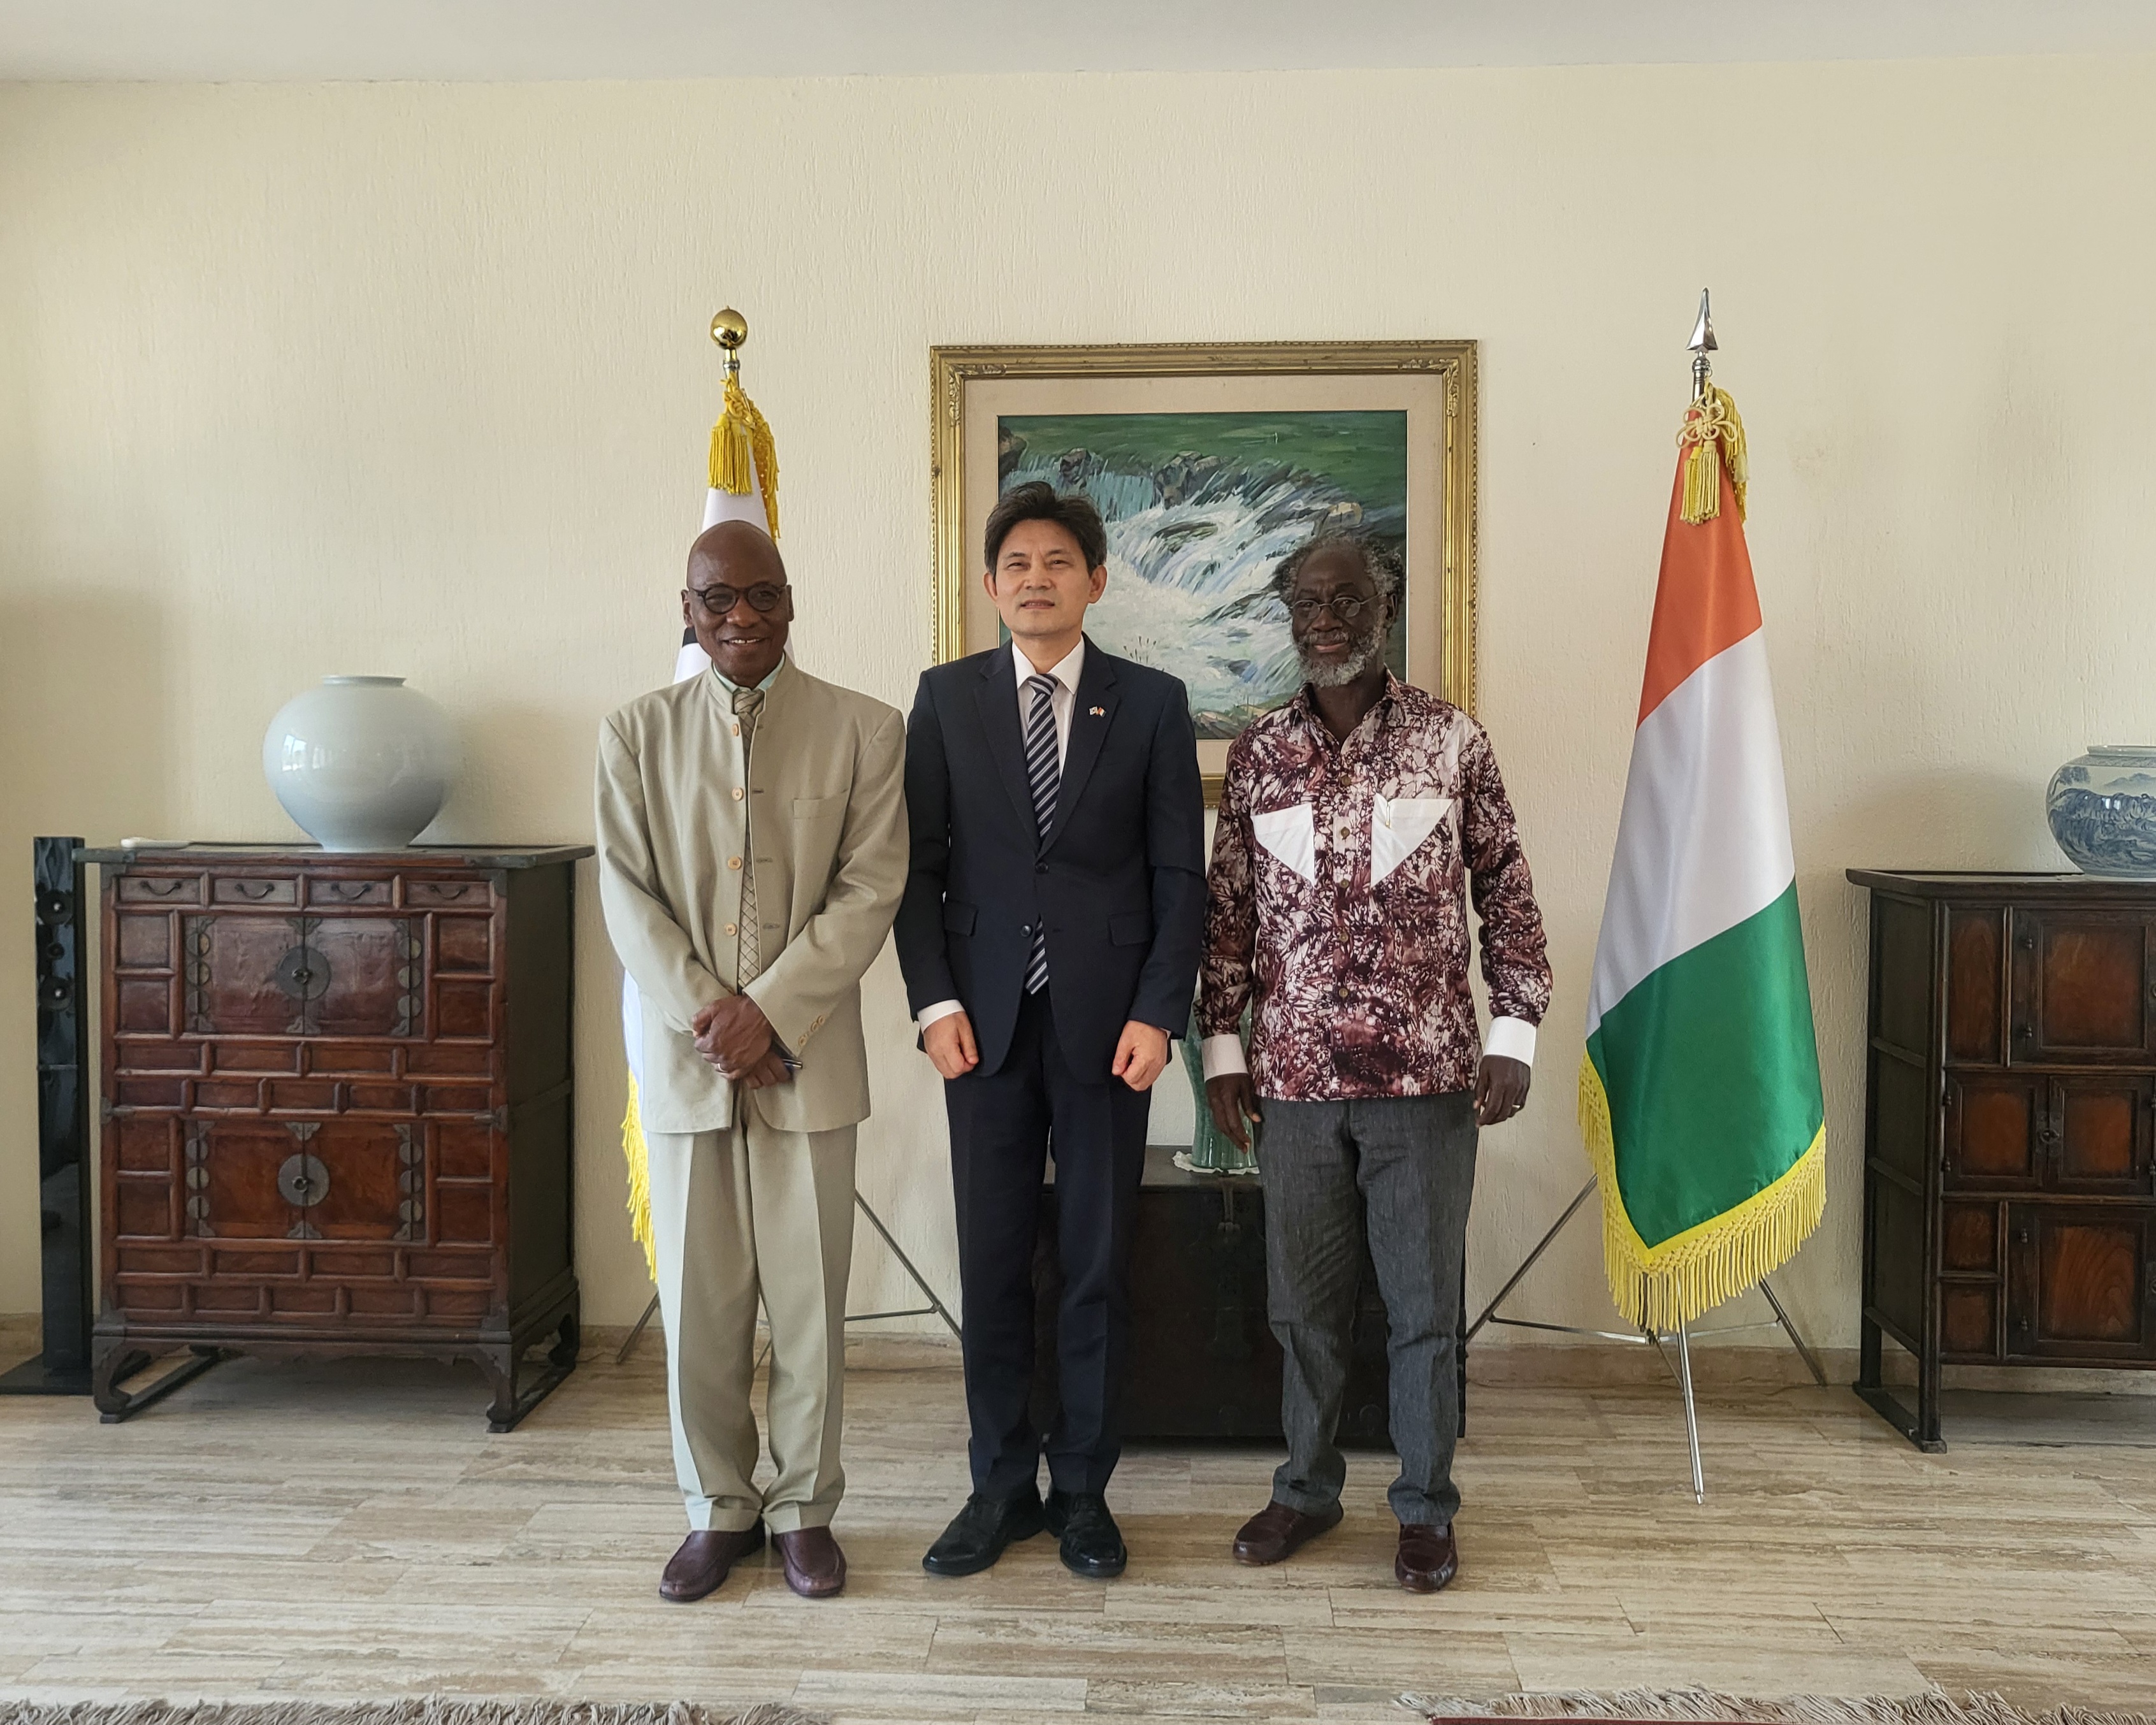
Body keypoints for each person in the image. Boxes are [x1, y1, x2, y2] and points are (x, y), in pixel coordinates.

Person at [1199, 530, 1551, 1594]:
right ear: (1290, 614)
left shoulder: (1450, 741)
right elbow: (1226, 919)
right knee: (1301, 1310)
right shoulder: (1258, 754)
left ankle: (1426, 1509)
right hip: (1294, 1086)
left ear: (1385, 608)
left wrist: (1514, 1034)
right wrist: (1222, 1046)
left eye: (1349, 596)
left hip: (1429, 1085)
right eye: (1309, 599)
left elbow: (1510, 893)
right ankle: (1304, 1491)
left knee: (1422, 1310)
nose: (1328, 615)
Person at [895, 480, 1205, 1580]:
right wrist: (933, 1005)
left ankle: (1082, 1492)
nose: (1037, 579)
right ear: (990, 586)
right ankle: (997, 1489)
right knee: (989, 1262)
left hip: (1111, 1033)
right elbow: (918, 870)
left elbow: (1180, 877)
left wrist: (1158, 1015)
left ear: (1097, 581)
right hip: (978, 1030)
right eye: (1017, 563)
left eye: (1059, 562)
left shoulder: (1154, 703)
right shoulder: (943, 699)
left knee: (1093, 1265)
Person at [594, 519, 907, 1603]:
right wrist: (710, 1015)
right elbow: (626, 896)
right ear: (686, 611)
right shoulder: (634, 733)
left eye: (759, 595)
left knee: (813, 1300)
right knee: (700, 1301)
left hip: (806, 1064)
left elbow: (870, 889)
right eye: (715, 600)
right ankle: (715, 1506)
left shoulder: (866, 729)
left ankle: (807, 1511)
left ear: (790, 601)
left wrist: (769, 1014)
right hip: (686, 1067)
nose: (738, 617)